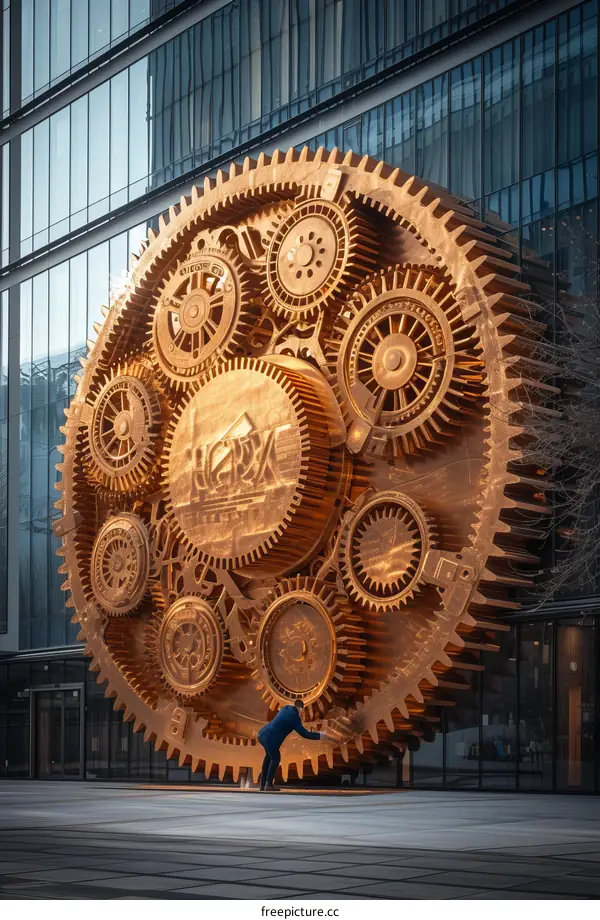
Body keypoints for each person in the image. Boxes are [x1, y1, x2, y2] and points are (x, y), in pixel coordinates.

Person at [258, 698, 332, 791]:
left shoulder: (285, 708)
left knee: (268, 757)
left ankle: (262, 785)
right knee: (276, 758)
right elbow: (306, 734)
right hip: (270, 739)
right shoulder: (294, 718)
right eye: (302, 711)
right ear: (301, 709)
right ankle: (268, 784)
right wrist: (322, 735)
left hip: (262, 734)